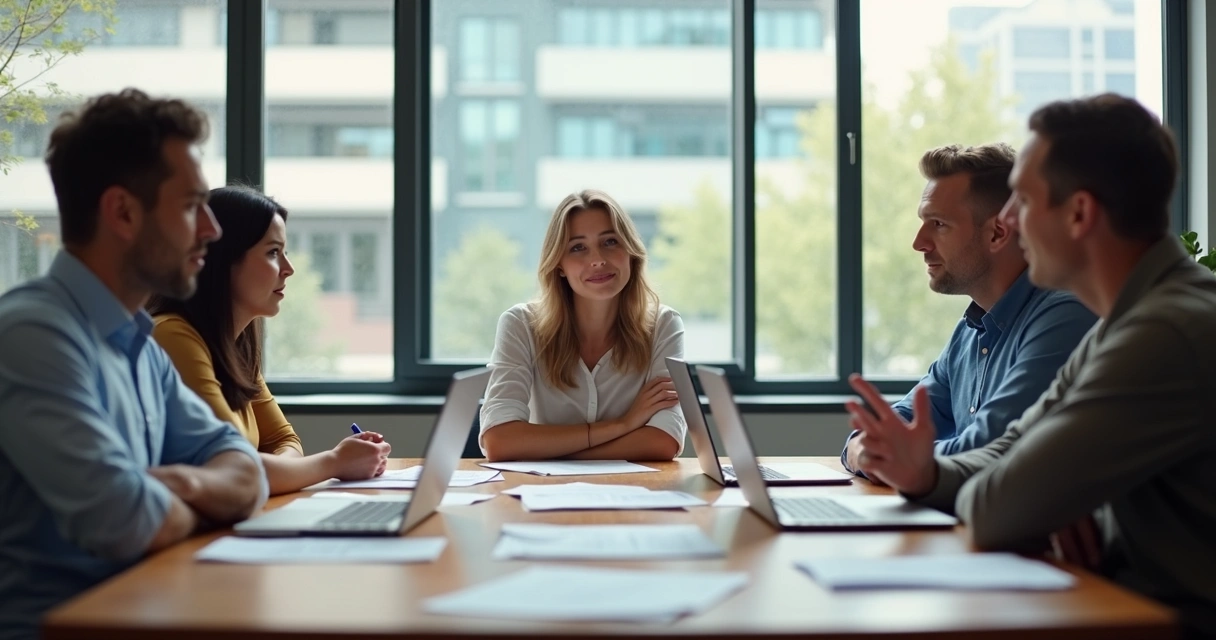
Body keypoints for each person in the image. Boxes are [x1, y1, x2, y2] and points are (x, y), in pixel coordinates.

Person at [846, 94, 1216, 637]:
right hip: (1124, 604)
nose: (1011, 222)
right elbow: (1006, 451)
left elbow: (998, 505)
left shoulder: (1161, 331)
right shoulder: (1127, 318)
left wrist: (1047, 503)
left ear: (1079, 213)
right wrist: (925, 474)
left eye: (1023, 199)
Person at [0, 89, 266, 640]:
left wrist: (172, 483)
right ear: (122, 212)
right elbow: (125, 521)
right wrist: (196, 496)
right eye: (192, 206)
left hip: (150, 612)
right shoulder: (32, 335)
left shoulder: (142, 348)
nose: (211, 231)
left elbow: (245, 474)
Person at [841, 143, 1096, 475]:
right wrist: (865, 449)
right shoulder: (972, 330)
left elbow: (985, 452)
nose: (919, 242)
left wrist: (890, 457)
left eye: (939, 224)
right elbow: (890, 428)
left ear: (998, 233)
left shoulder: (1063, 318)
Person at [148, 186, 391, 495]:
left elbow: (284, 442)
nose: (288, 270)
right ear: (224, 260)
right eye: (273, 252)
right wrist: (335, 462)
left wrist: (304, 466)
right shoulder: (173, 336)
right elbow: (240, 469)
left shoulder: (233, 347)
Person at [479, 189, 686, 461]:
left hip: (632, 495)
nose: (598, 259)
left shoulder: (663, 325)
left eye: (610, 242)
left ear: (631, 252)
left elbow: (663, 441)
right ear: (559, 265)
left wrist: (549, 448)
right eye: (578, 247)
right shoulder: (520, 325)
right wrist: (623, 425)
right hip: (540, 494)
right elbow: (499, 441)